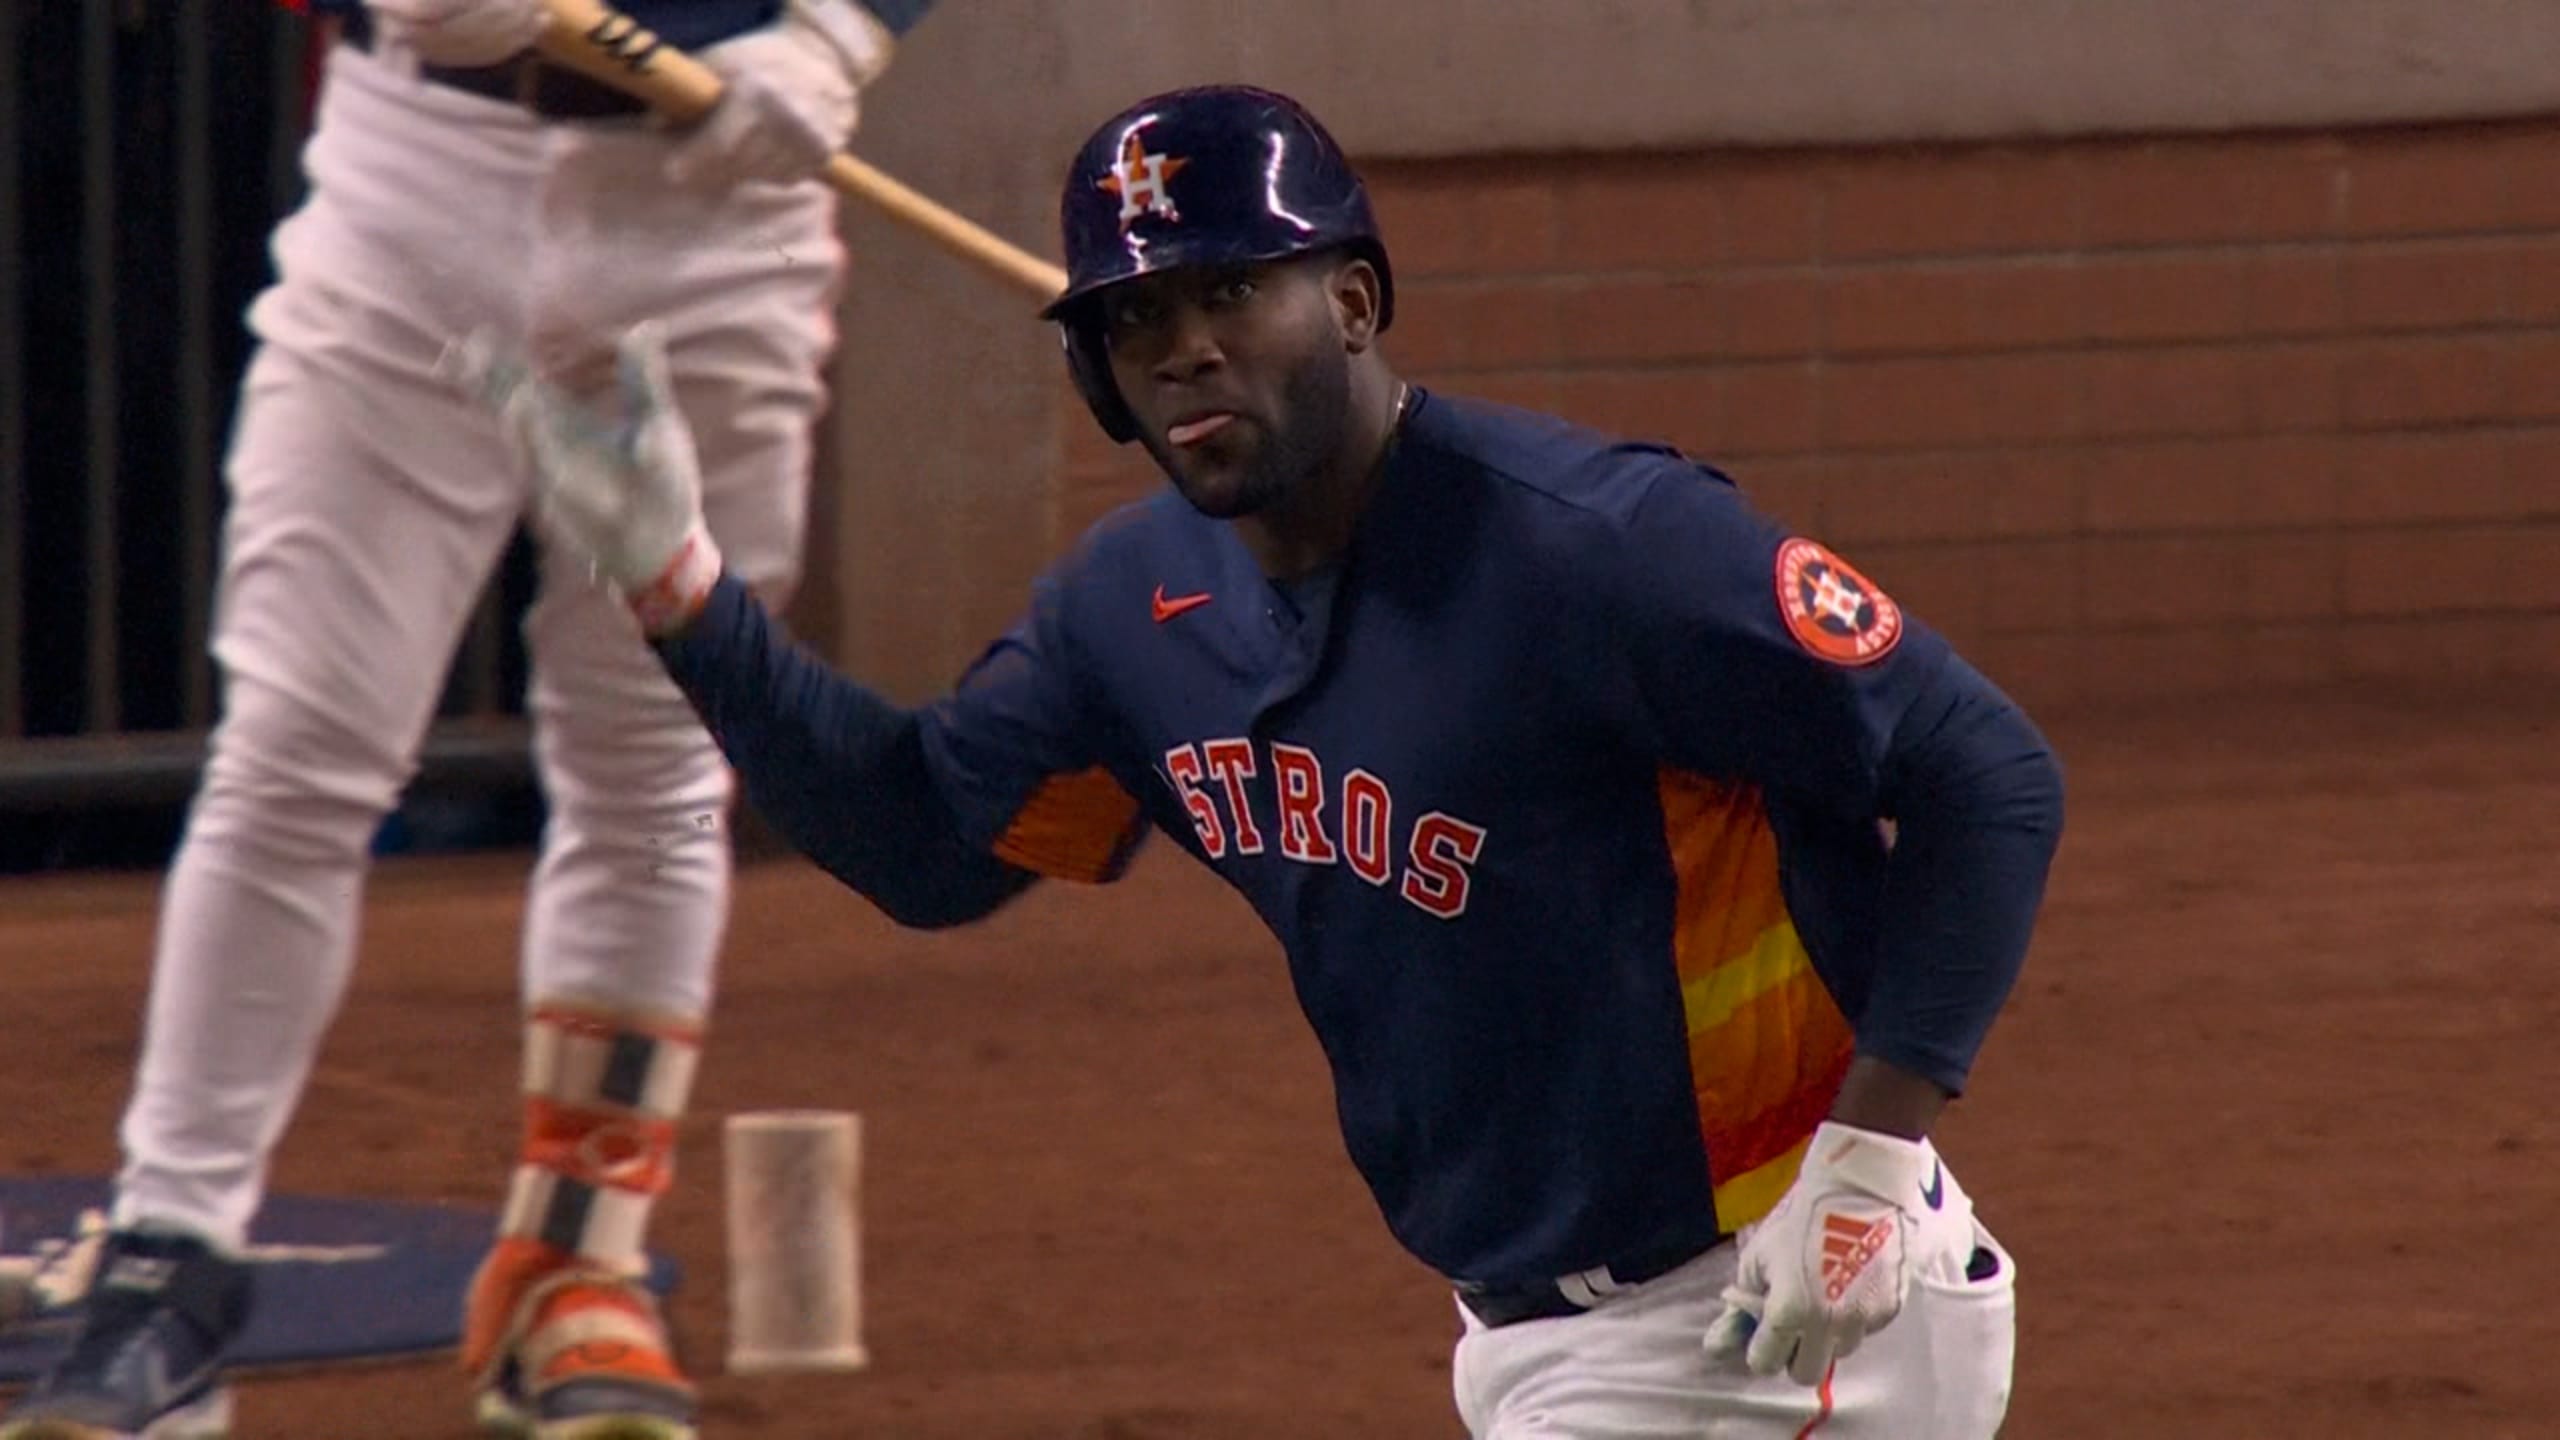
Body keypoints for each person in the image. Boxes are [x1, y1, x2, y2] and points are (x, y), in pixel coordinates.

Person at [458, 84, 2065, 1439]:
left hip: (1786, 1305)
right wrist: (678, 585)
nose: (1185, 348)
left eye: (1233, 292)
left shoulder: (1604, 551)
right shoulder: (1129, 617)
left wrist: (1871, 1145)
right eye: (1138, 317)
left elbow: (1982, 766)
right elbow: (930, 847)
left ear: (1353, 303)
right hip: (1533, 1341)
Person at [0, 2, 934, 1438]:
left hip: (717, 196)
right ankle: (165, 1266)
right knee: (297, 746)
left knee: (658, 766)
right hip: (414, 174)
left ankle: (578, 1262)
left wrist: (838, 30)